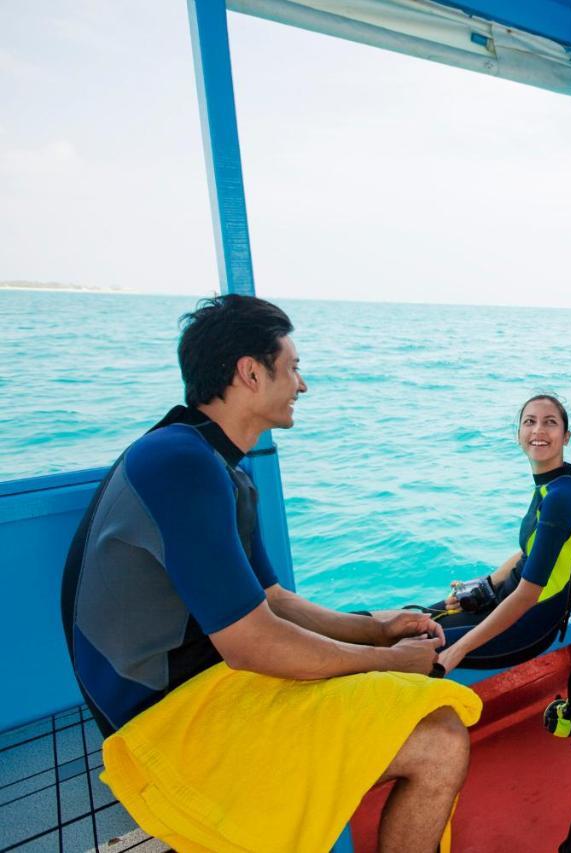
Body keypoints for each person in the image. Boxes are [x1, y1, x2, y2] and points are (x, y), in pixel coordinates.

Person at [61, 295, 479, 853]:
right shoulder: (180, 465)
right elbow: (252, 642)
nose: (301, 385)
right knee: (439, 739)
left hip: (208, 692)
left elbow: (271, 599)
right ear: (250, 373)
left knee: (421, 712)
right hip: (164, 729)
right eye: (293, 368)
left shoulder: (216, 468)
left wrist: (376, 629)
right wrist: (388, 660)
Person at [408, 394, 571, 674]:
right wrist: (483, 585)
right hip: (504, 599)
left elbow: (528, 595)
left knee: (405, 647)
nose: (538, 430)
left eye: (549, 422)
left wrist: (458, 649)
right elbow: (530, 552)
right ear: (519, 436)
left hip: (527, 624)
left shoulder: (561, 497)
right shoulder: (552, 485)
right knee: (412, 621)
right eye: (530, 422)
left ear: (565, 437)